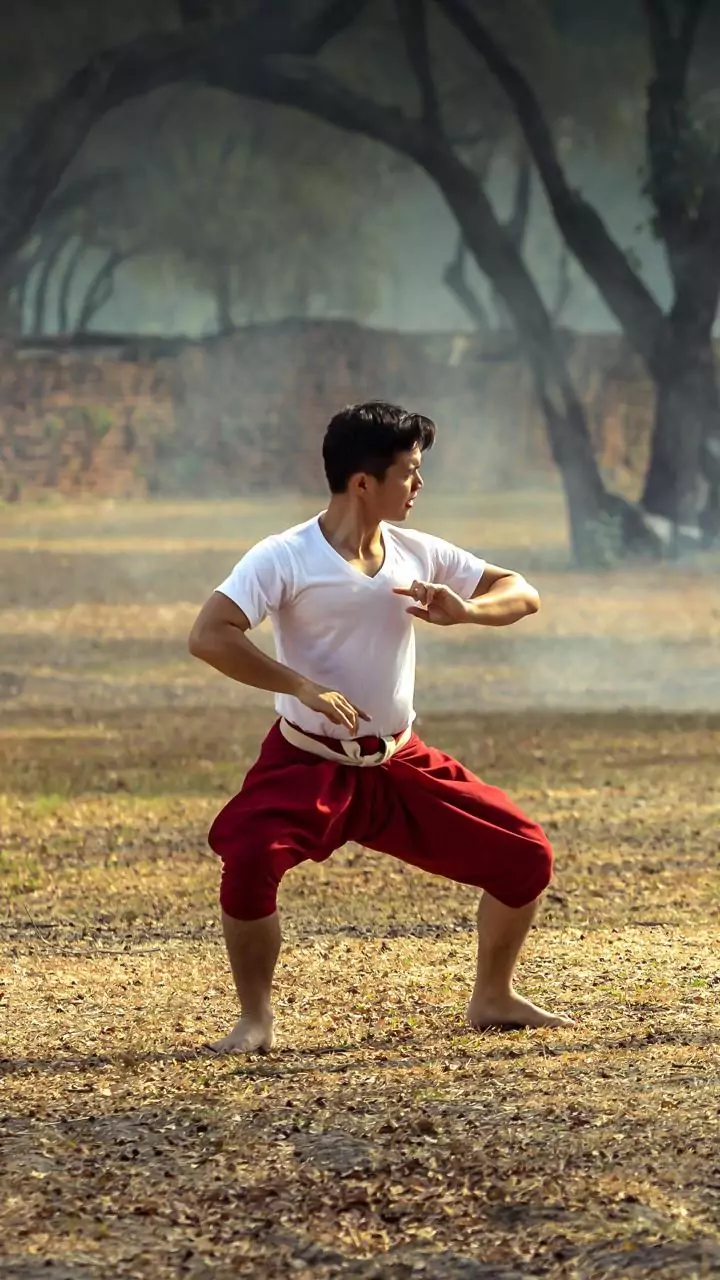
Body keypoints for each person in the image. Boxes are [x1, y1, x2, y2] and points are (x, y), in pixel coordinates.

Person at [189, 402, 572, 1054]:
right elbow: (209, 635)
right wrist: (300, 685)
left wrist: (467, 611)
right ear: (364, 482)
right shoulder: (284, 556)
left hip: (399, 761)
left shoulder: (417, 551)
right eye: (409, 472)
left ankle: (493, 997)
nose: (420, 484)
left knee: (525, 855)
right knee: (249, 861)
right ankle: (255, 1020)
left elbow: (521, 591)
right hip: (306, 760)